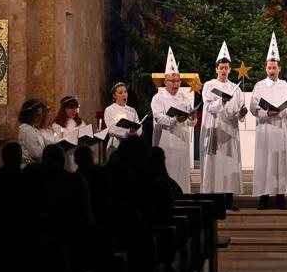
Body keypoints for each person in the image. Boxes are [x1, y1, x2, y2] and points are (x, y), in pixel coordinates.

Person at [250, 32, 287, 210]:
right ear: (266, 68)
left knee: (280, 162)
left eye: (274, 68)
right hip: (265, 129)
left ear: (279, 69)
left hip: (280, 130)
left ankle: (280, 197)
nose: (271, 71)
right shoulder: (259, 86)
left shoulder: (286, 86)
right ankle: (263, 197)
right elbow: (253, 108)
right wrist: (266, 113)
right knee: (264, 161)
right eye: (269, 67)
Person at [200, 41, 247, 211]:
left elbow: (237, 113)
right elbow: (208, 107)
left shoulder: (236, 88)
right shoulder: (209, 86)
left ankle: (228, 199)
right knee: (214, 163)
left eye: (227, 67)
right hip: (214, 128)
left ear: (229, 69)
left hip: (230, 130)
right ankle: (213, 198)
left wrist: (241, 113)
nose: (224, 70)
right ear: (216, 69)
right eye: (221, 67)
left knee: (229, 162)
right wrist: (221, 100)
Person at [150, 47, 197, 193]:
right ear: (165, 81)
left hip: (181, 139)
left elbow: (190, 122)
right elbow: (159, 118)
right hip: (167, 140)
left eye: (178, 81)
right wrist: (175, 119)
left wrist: (192, 118)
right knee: (168, 169)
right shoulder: (158, 98)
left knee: (181, 169)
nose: (176, 84)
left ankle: (184, 195)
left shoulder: (184, 98)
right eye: (172, 81)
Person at [104, 82, 142, 160]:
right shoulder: (109, 110)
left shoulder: (132, 110)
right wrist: (128, 131)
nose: (124, 94)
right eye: (120, 93)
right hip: (115, 145)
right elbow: (111, 128)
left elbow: (139, 126)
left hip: (131, 145)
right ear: (114, 96)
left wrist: (135, 131)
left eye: (125, 92)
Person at [52, 95, 86, 171]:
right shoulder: (57, 125)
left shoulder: (80, 122)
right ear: (64, 109)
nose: (74, 110)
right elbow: (56, 142)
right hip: (67, 156)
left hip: (80, 155)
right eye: (71, 108)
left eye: (76, 107)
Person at [18, 99, 47, 166]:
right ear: (29, 115)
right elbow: (36, 154)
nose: (41, 117)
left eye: (41, 115)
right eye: (37, 115)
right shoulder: (27, 130)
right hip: (30, 167)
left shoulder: (32, 128)